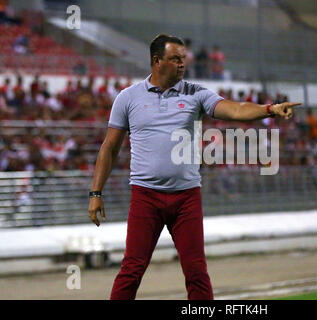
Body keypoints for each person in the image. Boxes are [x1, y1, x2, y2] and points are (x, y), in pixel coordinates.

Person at [88, 34, 301, 300]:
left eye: (183, 59)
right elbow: (109, 147)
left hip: (186, 197)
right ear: (156, 61)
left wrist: (270, 109)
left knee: (196, 272)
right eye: (175, 59)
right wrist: (96, 193)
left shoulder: (196, 93)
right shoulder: (128, 98)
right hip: (145, 197)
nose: (181, 64)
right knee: (132, 269)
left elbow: (235, 110)